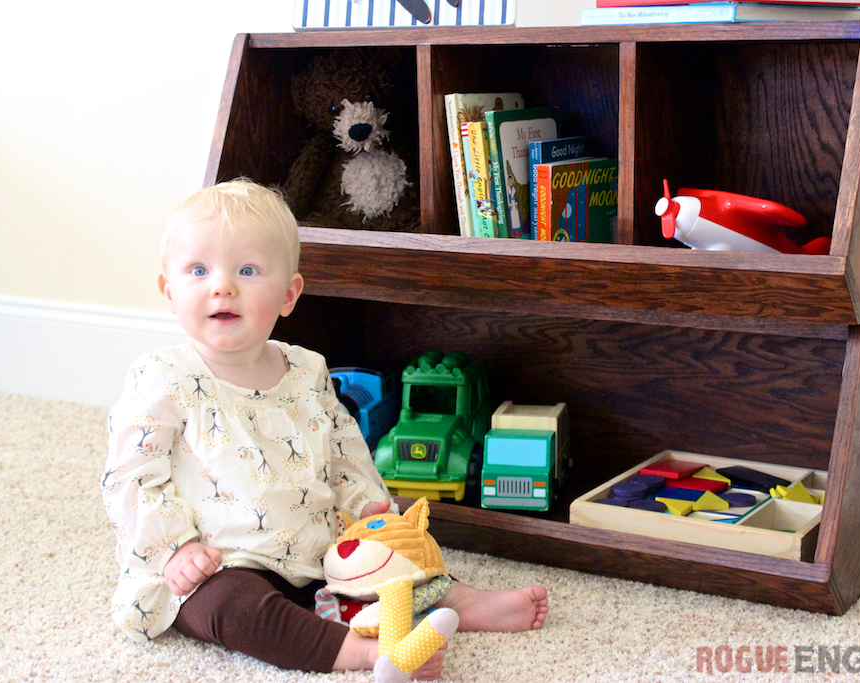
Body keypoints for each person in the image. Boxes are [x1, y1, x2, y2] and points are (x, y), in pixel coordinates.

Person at [102, 179, 548, 677]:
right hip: (215, 564)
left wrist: (366, 509)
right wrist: (175, 548)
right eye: (199, 270)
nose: (221, 286)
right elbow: (131, 478)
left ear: (289, 294)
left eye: (247, 270)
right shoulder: (162, 378)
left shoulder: (307, 370)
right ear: (169, 290)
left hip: (316, 551)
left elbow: (343, 452)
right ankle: (359, 653)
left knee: (388, 554)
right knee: (235, 608)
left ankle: (460, 601)